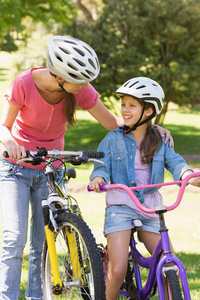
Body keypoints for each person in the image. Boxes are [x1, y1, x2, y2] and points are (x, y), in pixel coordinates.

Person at [0, 35, 172, 300]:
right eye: (78, 81)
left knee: (41, 243)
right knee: (13, 239)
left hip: (51, 167)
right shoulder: (24, 84)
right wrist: (11, 143)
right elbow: (4, 126)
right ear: (59, 76)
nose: (83, 87)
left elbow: (113, 122)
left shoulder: (79, 91)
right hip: (17, 166)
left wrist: (150, 125)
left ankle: (35, 296)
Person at [89, 77, 200, 300]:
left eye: (132, 105)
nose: (125, 110)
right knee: (118, 268)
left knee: (169, 264)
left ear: (148, 111)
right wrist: (98, 178)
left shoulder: (160, 140)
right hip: (121, 207)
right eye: (123, 104)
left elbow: (176, 163)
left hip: (150, 208)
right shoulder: (112, 139)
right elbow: (101, 165)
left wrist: (188, 175)